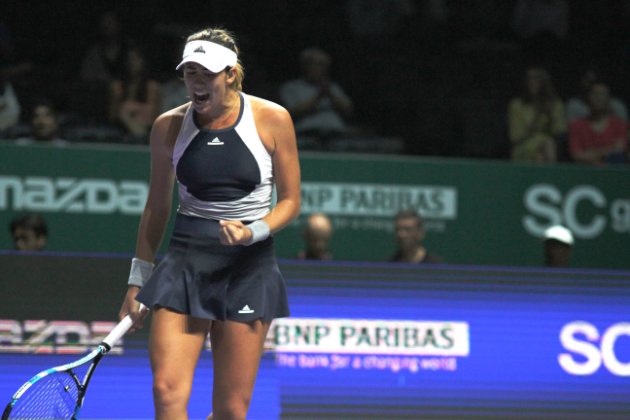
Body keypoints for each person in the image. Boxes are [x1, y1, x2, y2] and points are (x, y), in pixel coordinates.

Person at [117, 27, 300, 420]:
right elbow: (156, 206)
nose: (197, 83)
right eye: (190, 73)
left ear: (231, 74)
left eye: (207, 74)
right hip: (186, 262)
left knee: (231, 411)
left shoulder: (272, 118)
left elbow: (290, 201)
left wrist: (253, 231)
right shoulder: (167, 126)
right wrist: (138, 279)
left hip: (248, 266)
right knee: (166, 391)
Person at [278, 47, 354, 147]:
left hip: (336, 136)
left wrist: (330, 93)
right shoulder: (291, 87)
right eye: (316, 64)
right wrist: (319, 96)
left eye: (323, 65)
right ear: (305, 65)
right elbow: (292, 113)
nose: (320, 68)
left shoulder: (332, 87)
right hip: (305, 136)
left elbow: (348, 110)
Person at [507, 66, 567, 162]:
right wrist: (536, 120)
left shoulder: (555, 105)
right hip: (524, 147)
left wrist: (550, 116)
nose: (532, 82)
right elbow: (515, 136)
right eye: (529, 79)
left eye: (536, 78)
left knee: (543, 152)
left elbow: (560, 132)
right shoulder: (516, 105)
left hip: (549, 148)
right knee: (546, 145)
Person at [108, 42, 161, 144]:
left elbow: (152, 115)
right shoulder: (117, 86)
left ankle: (141, 137)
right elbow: (113, 115)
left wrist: (127, 109)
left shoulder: (152, 86)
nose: (132, 63)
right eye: (129, 59)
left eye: (136, 59)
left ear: (143, 61)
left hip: (147, 130)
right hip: (121, 131)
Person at [568, 81, 628, 165]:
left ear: (609, 98)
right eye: (594, 94)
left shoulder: (620, 125)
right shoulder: (576, 125)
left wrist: (593, 153)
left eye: (602, 94)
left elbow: (619, 150)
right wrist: (608, 150)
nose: (598, 98)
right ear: (587, 99)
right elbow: (576, 155)